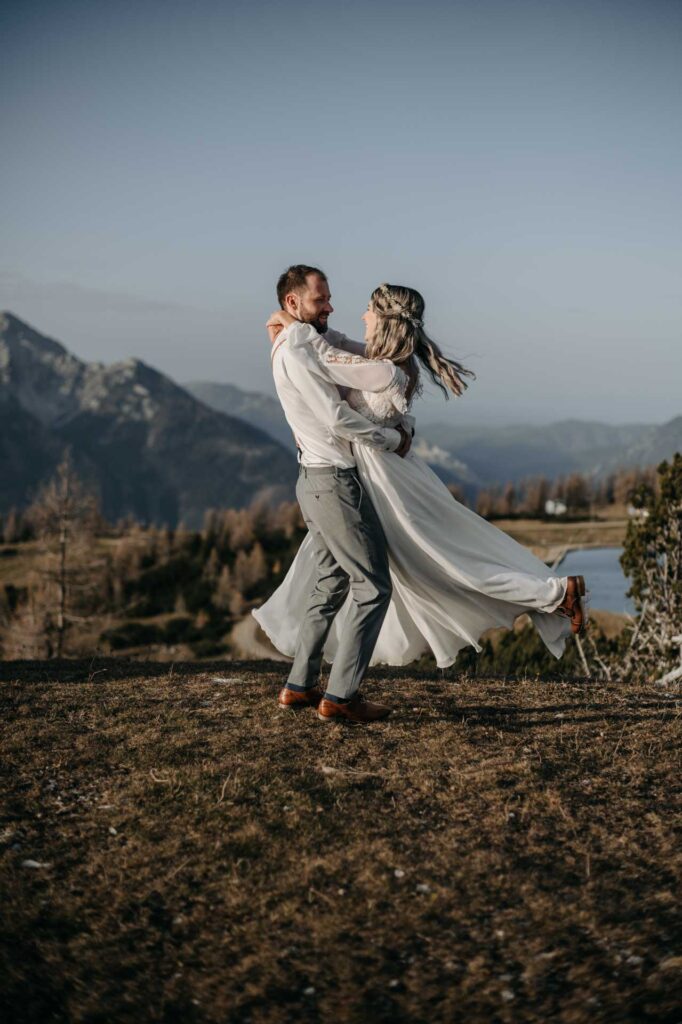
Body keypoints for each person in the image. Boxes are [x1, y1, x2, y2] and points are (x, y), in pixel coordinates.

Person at [254, 281, 588, 693]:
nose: (361, 317)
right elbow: (335, 349)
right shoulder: (390, 363)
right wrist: (292, 328)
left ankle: (554, 593)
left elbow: (324, 361)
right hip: (377, 479)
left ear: (387, 320)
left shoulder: (385, 369)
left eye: (369, 312)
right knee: (372, 573)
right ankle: (304, 684)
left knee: (441, 567)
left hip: (390, 486)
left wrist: (291, 328)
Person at [263, 265, 416, 725]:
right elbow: (333, 417)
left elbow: (341, 348)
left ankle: (299, 686)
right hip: (332, 481)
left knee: (331, 583)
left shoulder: (302, 339)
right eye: (319, 300)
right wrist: (391, 441)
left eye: (328, 297)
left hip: (316, 480)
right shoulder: (296, 350)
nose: (329, 306)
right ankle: (341, 696)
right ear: (294, 304)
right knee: (374, 586)